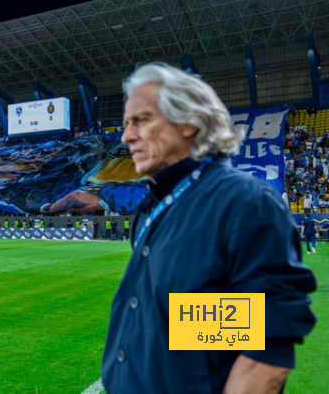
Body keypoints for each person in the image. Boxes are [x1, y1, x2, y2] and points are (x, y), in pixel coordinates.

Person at [102, 63, 317, 393]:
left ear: (189, 123)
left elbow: (265, 353)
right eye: (127, 123)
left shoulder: (245, 202)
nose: (126, 136)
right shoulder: (152, 206)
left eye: (141, 121)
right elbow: (199, 319)